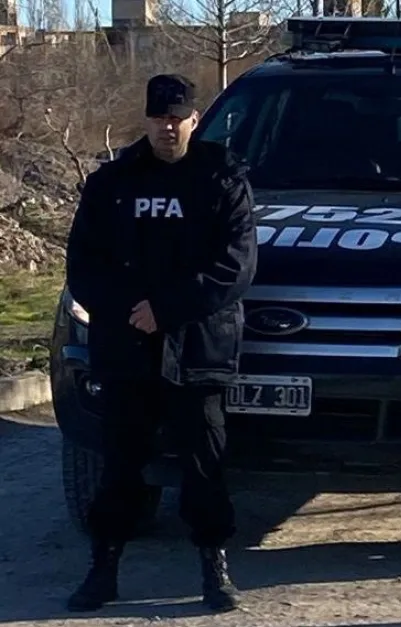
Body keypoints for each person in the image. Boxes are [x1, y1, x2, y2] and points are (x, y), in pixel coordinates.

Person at [64, 74, 258, 613]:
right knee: (120, 465)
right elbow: (83, 264)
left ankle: (215, 569)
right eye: (159, 118)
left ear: (195, 120)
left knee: (204, 464)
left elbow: (236, 266)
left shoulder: (223, 179)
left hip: (197, 347)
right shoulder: (112, 183)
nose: (167, 127)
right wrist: (130, 311)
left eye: (178, 118)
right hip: (127, 348)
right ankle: (103, 570)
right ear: (146, 120)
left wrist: (167, 309)